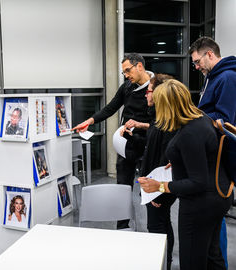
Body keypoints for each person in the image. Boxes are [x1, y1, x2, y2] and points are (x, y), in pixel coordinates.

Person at [138, 79, 233, 270]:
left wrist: (159, 186)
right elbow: (207, 155)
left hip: (200, 204)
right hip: (219, 197)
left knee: (192, 261)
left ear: (168, 105)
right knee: (212, 256)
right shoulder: (202, 119)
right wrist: (181, 160)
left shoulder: (190, 133)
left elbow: (197, 182)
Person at [72, 53, 155, 229]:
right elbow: (111, 108)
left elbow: (160, 123)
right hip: (126, 146)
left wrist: (140, 125)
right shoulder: (127, 87)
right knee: (122, 187)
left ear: (139, 66)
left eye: (128, 71)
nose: (126, 75)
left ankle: (154, 230)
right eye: (123, 72)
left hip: (149, 146)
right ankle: (122, 226)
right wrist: (89, 121)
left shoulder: (158, 87)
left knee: (150, 193)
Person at [189, 36, 236, 268]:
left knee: (216, 216)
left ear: (210, 54)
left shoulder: (227, 77)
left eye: (198, 62)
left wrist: (194, 118)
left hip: (220, 157)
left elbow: (226, 121)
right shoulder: (213, 78)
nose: (196, 67)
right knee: (213, 221)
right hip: (211, 152)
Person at [120, 74, 176, 270]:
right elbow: (150, 146)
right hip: (152, 184)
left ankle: (163, 264)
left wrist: (156, 190)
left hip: (157, 186)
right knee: (161, 224)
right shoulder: (158, 119)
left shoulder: (167, 123)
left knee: (158, 227)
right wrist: (133, 137)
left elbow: (165, 160)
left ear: (159, 93)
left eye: (149, 91)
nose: (146, 95)